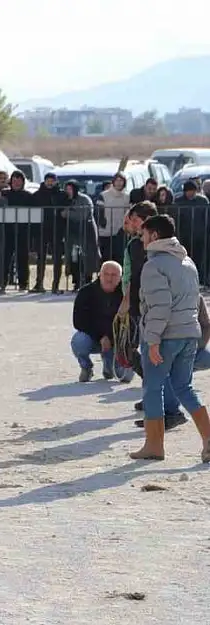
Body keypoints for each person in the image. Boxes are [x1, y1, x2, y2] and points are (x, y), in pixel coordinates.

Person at [131, 214, 210, 462]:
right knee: (184, 387)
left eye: (143, 234)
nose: (141, 239)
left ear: (154, 235)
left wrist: (152, 340)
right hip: (189, 333)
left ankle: (154, 446)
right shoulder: (188, 262)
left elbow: (159, 307)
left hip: (165, 336)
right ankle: (209, 439)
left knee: (153, 388)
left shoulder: (153, 265)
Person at [71, 261, 131, 382]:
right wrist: (101, 337)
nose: (109, 278)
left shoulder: (126, 295)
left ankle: (109, 367)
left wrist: (112, 338)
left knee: (125, 377)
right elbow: (78, 321)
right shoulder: (86, 292)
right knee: (78, 341)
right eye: (106, 274)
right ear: (99, 275)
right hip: (93, 337)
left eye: (114, 275)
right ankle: (86, 367)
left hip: (118, 340)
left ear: (120, 278)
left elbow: (132, 322)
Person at [62, 180, 101, 291]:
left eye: (70, 189)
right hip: (72, 233)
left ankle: (87, 281)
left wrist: (68, 213)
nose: (68, 191)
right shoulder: (66, 200)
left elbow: (84, 214)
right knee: (74, 258)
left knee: (87, 258)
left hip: (86, 232)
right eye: (66, 189)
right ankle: (76, 281)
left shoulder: (85, 199)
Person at [98, 173, 130, 263]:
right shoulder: (103, 195)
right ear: (113, 182)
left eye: (121, 181)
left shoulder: (127, 197)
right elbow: (98, 212)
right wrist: (102, 224)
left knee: (119, 259)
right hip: (105, 233)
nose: (119, 183)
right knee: (106, 259)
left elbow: (128, 213)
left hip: (120, 232)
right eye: (117, 180)